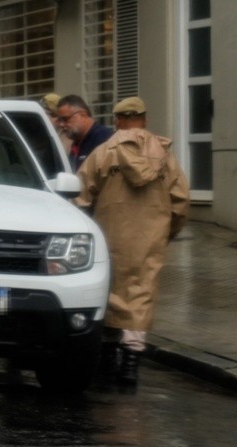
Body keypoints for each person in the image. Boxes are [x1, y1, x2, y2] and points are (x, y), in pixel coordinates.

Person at [74, 97, 190, 386]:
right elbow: (181, 202)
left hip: (108, 237)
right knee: (140, 296)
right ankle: (130, 366)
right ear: (145, 119)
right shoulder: (166, 157)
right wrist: (166, 232)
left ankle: (107, 359)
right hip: (150, 238)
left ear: (117, 120)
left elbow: (79, 197)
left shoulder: (102, 153)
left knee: (108, 294)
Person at [56, 95, 113, 171]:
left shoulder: (103, 138)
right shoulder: (78, 141)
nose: (61, 124)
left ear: (83, 115)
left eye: (65, 119)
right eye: (60, 120)